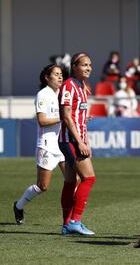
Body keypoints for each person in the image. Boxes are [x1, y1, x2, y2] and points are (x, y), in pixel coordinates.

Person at [13, 64, 65, 224]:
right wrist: (64, 118)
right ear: (46, 77)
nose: (60, 77)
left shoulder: (63, 94)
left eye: (61, 74)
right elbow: (42, 121)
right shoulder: (42, 95)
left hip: (62, 145)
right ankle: (19, 206)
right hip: (47, 145)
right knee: (42, 186)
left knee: (74, 180)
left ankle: (71, 219)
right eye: (56, 74)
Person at [58, 53, 96, 235]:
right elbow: (66, 116)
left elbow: (79, 118)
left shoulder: (82, 87)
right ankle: (75, 221)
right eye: (84, 65)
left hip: (77, 139)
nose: (89, 68)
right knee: (89, 178)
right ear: (74, 67)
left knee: (71, 180)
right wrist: (80, 142)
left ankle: (66, 224)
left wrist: (87, 140)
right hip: (70, 140)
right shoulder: (69, 86)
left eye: (90, 65)